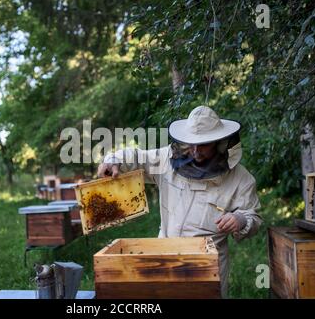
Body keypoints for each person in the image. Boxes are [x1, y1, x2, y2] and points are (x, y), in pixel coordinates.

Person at [97, 106, 262, 298]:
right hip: (164, 257)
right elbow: (136, 158)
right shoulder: (167, 159)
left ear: (219, 143)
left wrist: (239, 219)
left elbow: (253, 217)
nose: (195, 150)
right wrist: (113, 160)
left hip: (208, 266)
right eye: (191, 143)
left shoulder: (241, 179)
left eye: (203, 145)